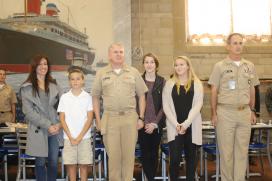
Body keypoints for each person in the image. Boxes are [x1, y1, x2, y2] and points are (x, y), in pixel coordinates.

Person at [91, 43, 148, 181]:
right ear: (109, 55)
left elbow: (142, 95)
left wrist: (141, 118)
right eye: (115, 52)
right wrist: (98, 121)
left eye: (121, 52)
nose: (119, 54)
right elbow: (95, 97)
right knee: (114, 158)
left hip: (130, 119)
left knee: (128, 158)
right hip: (110, 119)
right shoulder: (101, 73)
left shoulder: (133, 72)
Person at [208, 33, 259, 181]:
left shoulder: (249, 66)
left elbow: (252, 90)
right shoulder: (220, 66)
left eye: (240, 43)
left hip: (244, 113)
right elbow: (214, 90)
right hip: (225, 113)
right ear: (228, 46)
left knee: (242, 152)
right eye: (235, 43)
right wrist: (214, 113)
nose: (238, 46)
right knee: (227, 153)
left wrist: (253, 110)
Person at [20, 55, 63, 181]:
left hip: (55, 130)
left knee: (54, 163)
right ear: (34, 67)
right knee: (40, 163)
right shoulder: (27, 87)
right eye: (40, 64)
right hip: (39, 130)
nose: (43, 67)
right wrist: (48, 125)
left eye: (45, 64)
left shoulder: (55, 84)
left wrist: (59, 124)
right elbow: (29, 112)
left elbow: (63, 107)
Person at [162, 56, 203, 181]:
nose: (178, 67)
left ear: (188, 66)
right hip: (175, 128)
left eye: (181, 64)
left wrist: (185, 124)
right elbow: (166, 106)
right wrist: (177, 125)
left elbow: (198, 105)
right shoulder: (169, 84)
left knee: (191, 160)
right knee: (174, 159)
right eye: (176, 65)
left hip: (192, 126)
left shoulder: (197, 83)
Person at [58, 68, 93, 181]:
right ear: (69, 81)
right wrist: (71, 137)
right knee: (71, 166)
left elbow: (89, 118)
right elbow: (62, 119)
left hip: (84, 138)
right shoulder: (64, 97)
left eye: (78, 79)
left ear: (83, 80)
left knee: (84, 165)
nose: (75, 81)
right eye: (72, 79)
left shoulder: (88, 97)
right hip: (69, 138)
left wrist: (79, 137)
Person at [138, 53, 165, 181]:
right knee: (145, 154)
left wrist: (155, 123)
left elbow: (165, 106)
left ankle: (151, 177)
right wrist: (141, 120)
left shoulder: (162, 81)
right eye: (146, 62)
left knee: (154, 154)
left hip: (156, 124)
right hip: (141, 123)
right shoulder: (138, 80)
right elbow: (135, 102)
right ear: (143, 64)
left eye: (152, 62)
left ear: (156, 64)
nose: (149, 64)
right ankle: (150, 178)